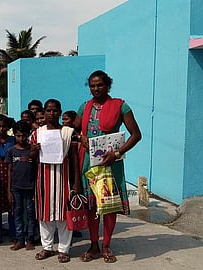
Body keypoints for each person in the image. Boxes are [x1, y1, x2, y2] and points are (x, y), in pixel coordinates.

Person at [75, 70, 141, 263]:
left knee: (109, 206)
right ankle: (94, 244)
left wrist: (117, 153)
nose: (96, 89)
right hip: (89, 164)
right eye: (92, 86)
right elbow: (75, 130)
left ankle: (106, 246)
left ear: (108, 85)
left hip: (111, 164)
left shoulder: (121, 106)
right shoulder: (84, 107)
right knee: (92, 206)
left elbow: (136, 134)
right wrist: (81, 137)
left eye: (100, 85)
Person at [32, 99, 81, 263]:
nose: (51, 114)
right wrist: (34, 150)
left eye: (54, 111)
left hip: (63, 179)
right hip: (44, 179)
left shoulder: (68, 132)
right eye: (48, 111)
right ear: (44, 112)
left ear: (60, 112)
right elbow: (31, 156)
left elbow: (74, 157)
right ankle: (47, 247)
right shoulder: (38, 133)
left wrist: (76, 182)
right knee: (45, 216)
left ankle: (63, 249)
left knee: (64, 215)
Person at [6, 121, 38, 251]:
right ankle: (20, 240)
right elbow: (9, 171)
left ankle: (30, 239)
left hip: (30, 187)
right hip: (16, 187)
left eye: (24, 136)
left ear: (28, 135)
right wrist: (9, 190)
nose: (21, 139)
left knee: (31, 213)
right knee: (17, 213)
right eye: (18, 136)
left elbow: (37, 169)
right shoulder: (12, 151)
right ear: (14, 135)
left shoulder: (32, 150)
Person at [0, 114, 16, 246]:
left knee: (11, 206)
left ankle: (13, 234)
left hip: (11, 175)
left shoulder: (13, 140)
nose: (1, 129)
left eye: (3, 126)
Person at [61, 110, 83, 238]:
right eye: (63, 120)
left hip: (77, 169)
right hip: (67, 170)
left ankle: (75, 225)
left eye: (66, 120)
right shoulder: (63, 134)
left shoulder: (77, 135)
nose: (64, 122)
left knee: (75, 199)